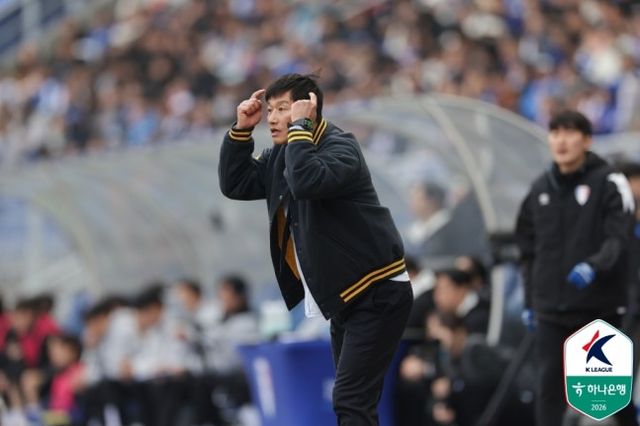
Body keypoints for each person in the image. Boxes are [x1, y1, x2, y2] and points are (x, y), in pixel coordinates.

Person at [218, 73, 413, 425]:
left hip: (377, 291)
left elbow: (306, 182)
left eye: (283, 108)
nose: (272, 118)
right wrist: (241, 131)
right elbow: (236, 183)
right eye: (270, 110)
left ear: (308, 108)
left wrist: (300, 129)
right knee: (353, 401)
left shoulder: (341, 146)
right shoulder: (286, 153)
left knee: (350, 400)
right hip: (345, 297)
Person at [515, 110, 636, 426]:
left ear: (587, 140)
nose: (561, 141)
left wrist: (595, 266)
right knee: (549, 389)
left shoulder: (609, 182)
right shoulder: (539, 188)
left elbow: (619, 237)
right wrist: (530, 301)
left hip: (598, 308)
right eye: (555, 133)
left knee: (608, 395)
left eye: (569, 133)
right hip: (550, 309)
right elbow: (527, 251)